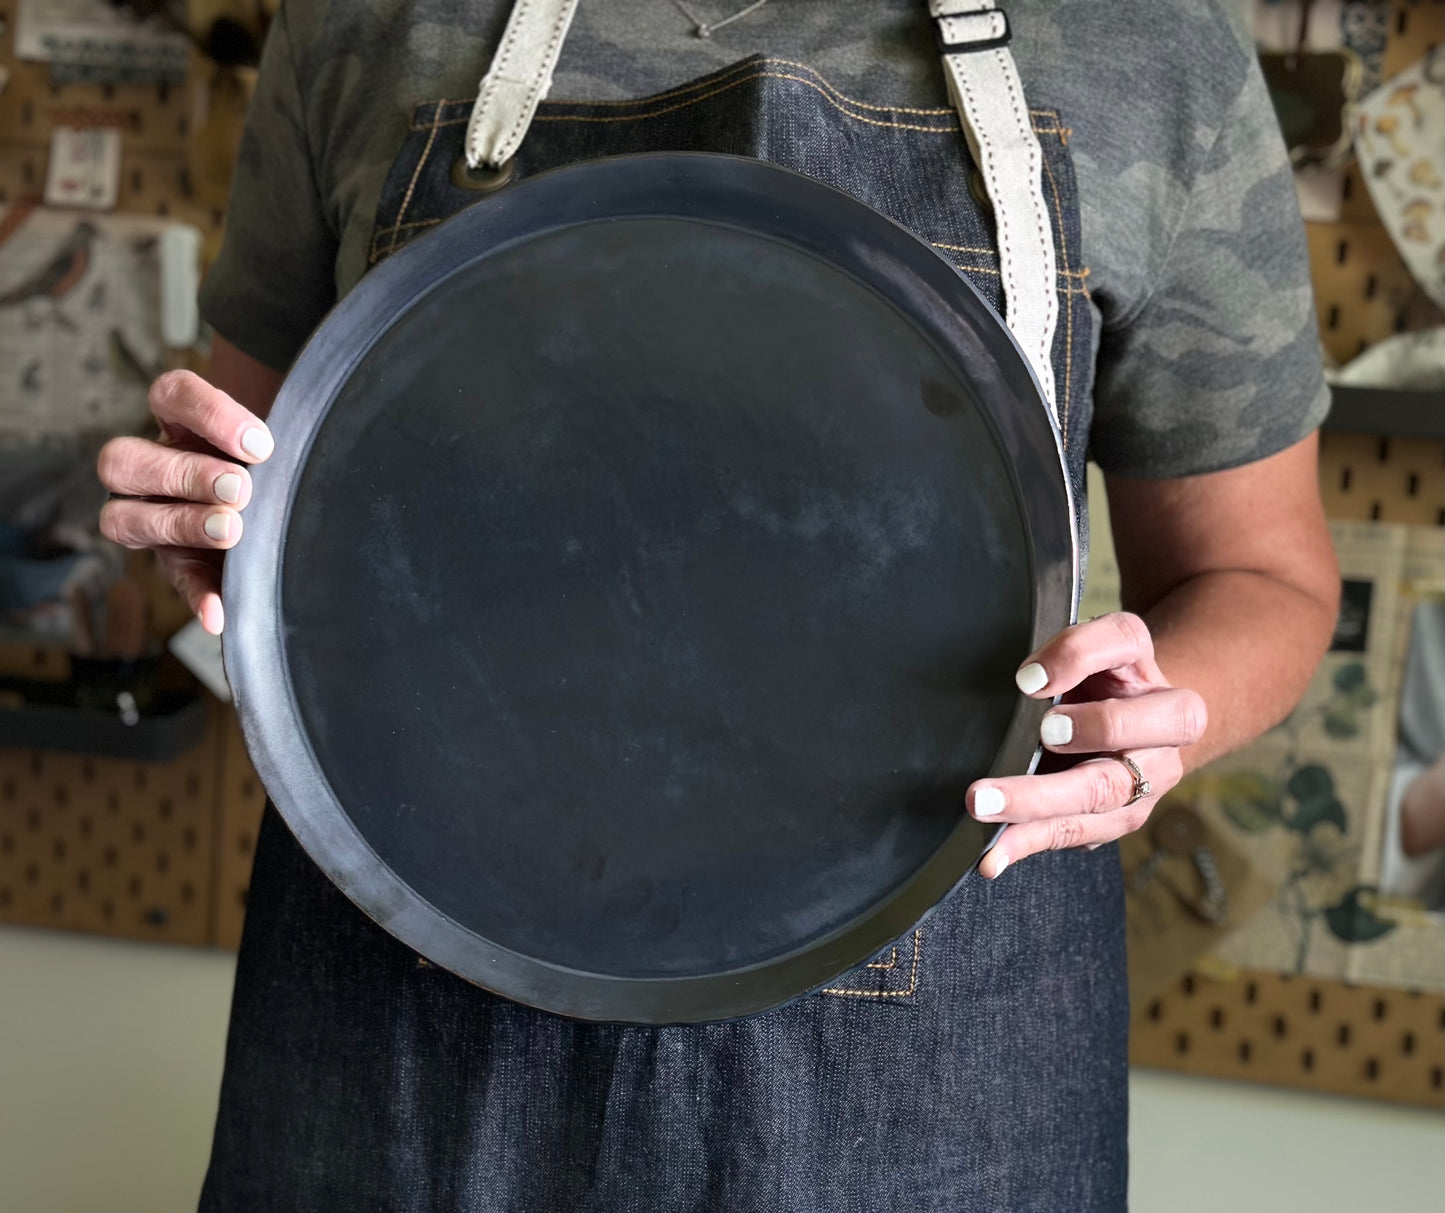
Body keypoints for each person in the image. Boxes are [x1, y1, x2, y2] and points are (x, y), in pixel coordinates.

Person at [97, 2, 1341, 1208]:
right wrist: (207, 529)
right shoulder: (368, 18)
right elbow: (264, 469)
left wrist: (1142, 730)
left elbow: (1259, 580)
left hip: (926, 1091)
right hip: (406, 1023)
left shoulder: (1150, 41)